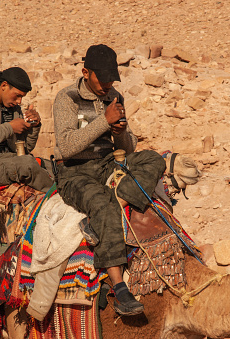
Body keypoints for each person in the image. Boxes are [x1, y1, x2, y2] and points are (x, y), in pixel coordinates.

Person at [50, 44, 166, 316]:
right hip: (75, 171)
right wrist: (104, 121)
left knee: (154, 159)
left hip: (107, 164)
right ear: (85, 72)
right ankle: (120, 289)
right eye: (102, 79)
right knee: (102, 205)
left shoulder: (115, 96)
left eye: (111, 79)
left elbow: (129, 146)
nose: (107, 85)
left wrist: (120, 131)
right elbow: (66, 146)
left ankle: (116, 201)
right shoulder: (66, 98)